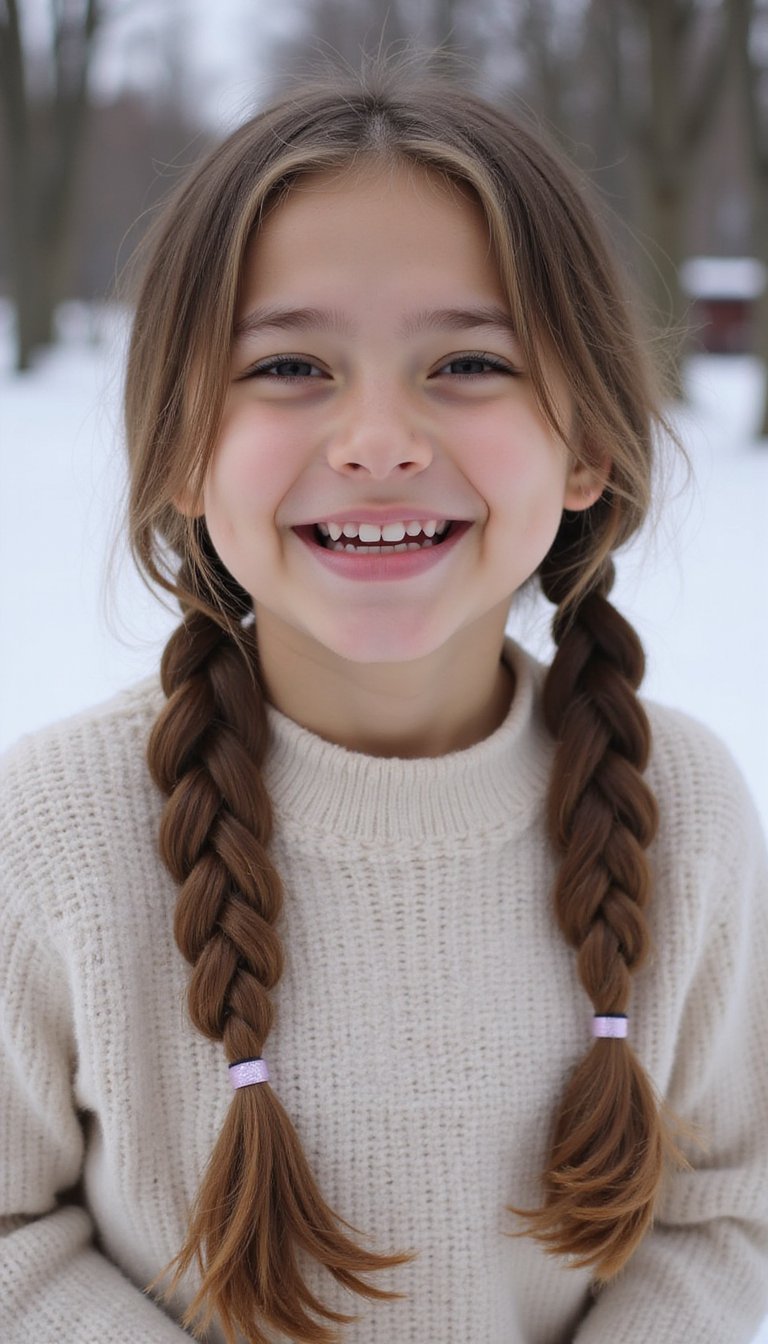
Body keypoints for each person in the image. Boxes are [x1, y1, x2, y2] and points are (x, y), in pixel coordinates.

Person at [1, 60, 767, 1344]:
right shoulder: (52, 827)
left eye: (469, 360)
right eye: (292, 365)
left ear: (584, 446)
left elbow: (721, 1208)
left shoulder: (677, 802)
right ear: (182, 443)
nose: (378, 439)